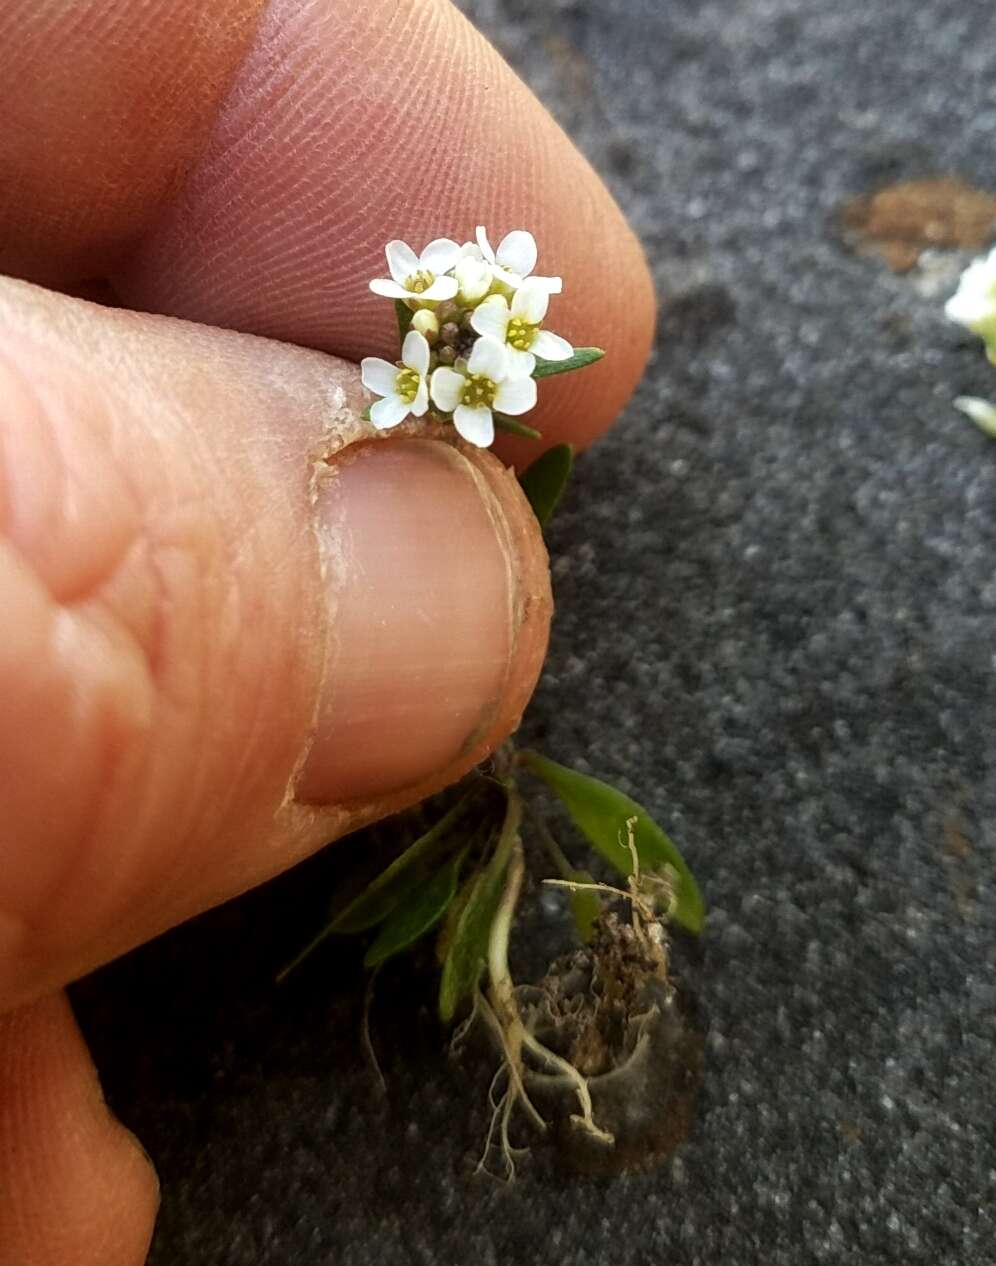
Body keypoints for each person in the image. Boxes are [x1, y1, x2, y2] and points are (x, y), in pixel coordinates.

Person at [0, 2, 654, 1260]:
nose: (501, 350)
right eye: (485, 343)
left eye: (505, 345)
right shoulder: (427, 364)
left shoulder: (470, 362)